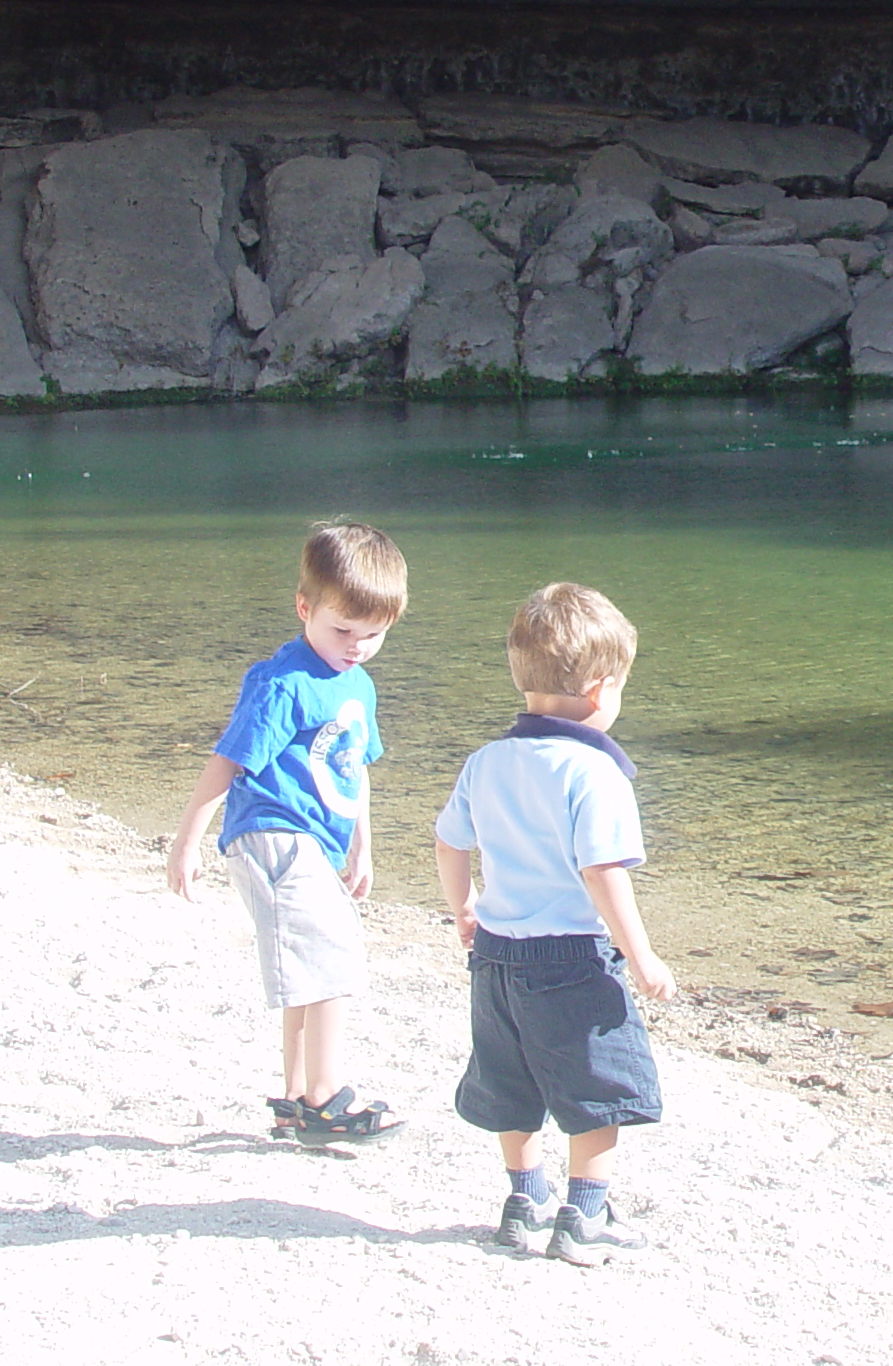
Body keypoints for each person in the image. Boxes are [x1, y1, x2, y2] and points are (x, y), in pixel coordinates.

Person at [436, 581, 677, 1264]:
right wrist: (642, 954)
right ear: (602, 690)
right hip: (570, 957)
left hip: (496, 957)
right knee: (597, 1087)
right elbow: (603, 874)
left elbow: (450, 841)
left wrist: (465, 905)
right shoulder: (595, 773)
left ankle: (525, 1200)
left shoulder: (486, 762)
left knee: (509, 1081)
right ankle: (585, 1216)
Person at [168, 519, 408, 1145]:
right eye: (342, 630)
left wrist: (362, 845)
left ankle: (296, 1098)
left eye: (374, 634)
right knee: (332, 957)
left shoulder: (357, 684)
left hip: (315, 843)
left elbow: (354, 770)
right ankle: (327, 1098)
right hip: (272, 837)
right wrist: (188, 839)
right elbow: (229, 758)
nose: (356, 645)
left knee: (308, 967)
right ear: (305, 608)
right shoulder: (283, 682)